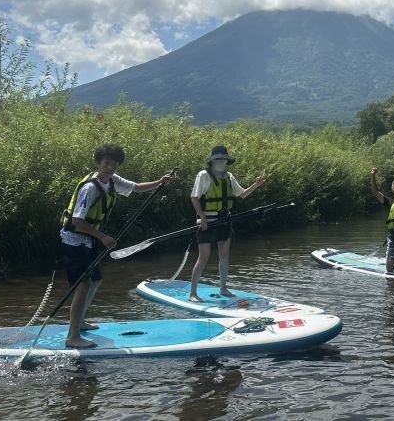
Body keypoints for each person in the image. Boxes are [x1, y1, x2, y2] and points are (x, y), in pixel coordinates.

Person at [60, 143, 173, 348]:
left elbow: (136, 187)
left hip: (89, 238)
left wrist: (160, 182)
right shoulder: (89, 188)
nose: (110, 168)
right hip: (74, 239)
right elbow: (77, 221)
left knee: (95, 279)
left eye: (115, 164)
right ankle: (72, 336)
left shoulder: (112, 180)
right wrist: (102, 236)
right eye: (106, 163)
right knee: (82, 285)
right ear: (98, 163)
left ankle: (81, 321)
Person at [189, 145, 266, 301]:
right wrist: (202, 218)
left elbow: (242, 194)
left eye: (224, 159)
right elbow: (194, 197)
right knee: (203, 257)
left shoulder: (229, 176)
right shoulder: (203, 175)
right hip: (208, 222)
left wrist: (256, 185)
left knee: (224, 256)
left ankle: (223, 288)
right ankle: (193, 293)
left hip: (224, 221)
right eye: (218, 159)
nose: (221, 162)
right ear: (212, 161)